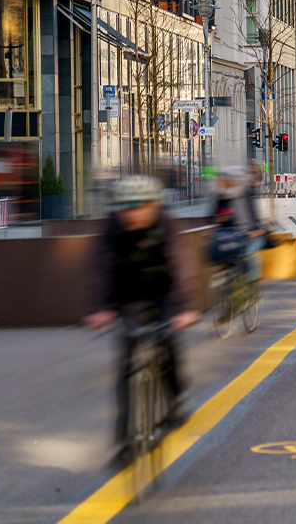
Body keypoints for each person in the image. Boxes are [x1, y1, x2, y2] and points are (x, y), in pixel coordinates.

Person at [85, 175, 198, 461]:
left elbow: (178, 265)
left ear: (153, 206)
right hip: (128, 294)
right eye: (125, 208)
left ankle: (176, 400)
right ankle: (124, 441)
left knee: (167, 340)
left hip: (161, 290)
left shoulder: (166, 223)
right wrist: (102, 307)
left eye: (139, 207)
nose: (131, 214)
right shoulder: (112, 226)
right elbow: (102, 267)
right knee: (126, 363)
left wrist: (182, 309)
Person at [212, 166, 265, 283]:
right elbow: (213, 217)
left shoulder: (244, 193)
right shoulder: (220, 197)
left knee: (247, 253)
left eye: (223, 180)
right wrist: (220, 218)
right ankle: (232, 281)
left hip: (250, 233)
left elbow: (253, 215)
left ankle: (251, 281)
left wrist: (256, 230)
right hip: (231, 235)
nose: (220, 183)